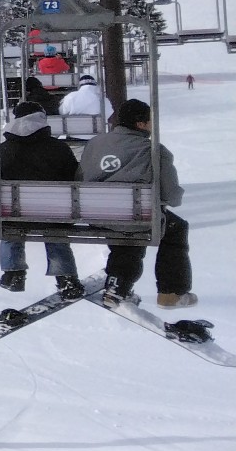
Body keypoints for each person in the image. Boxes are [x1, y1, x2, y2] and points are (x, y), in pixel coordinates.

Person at [80, 98, 194, 307]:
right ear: (140, 124)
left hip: (95, 214)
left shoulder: (94, 144)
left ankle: (118, 283)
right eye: (150, 120)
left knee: (128, 221)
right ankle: (171, 291)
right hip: (133, 216)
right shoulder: (153, 150)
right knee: (172, 227)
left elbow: (80, 177)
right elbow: (171, 195)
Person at [0, 101, 82, 294]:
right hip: (56, 216)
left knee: (10, 223)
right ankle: (66, 278)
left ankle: (13, 273)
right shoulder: (59, 149)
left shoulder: (3, 150)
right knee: (55, 230)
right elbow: (76, 179)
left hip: (15, 217)